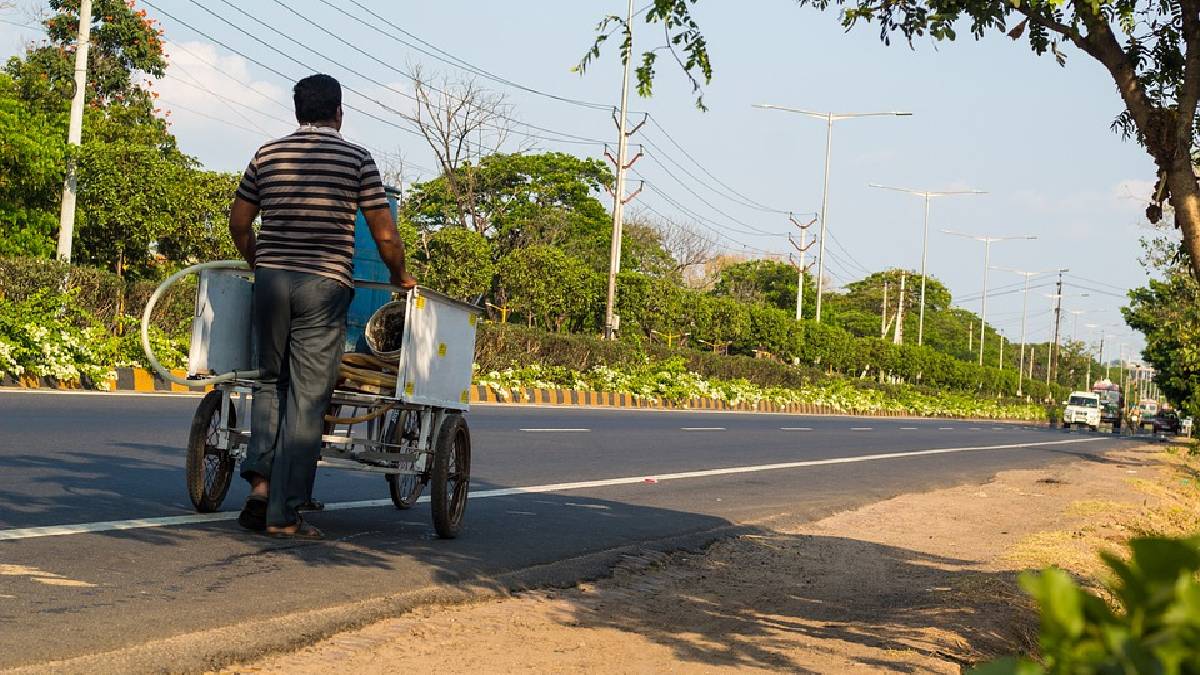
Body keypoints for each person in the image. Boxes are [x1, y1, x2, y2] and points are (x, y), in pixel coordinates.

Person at [228, 74, 416, 539]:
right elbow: (385, 233)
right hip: (323, 285)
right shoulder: (356, 158)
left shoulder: (267, 154)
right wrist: (398, 276)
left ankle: (261, 485)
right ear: (339, 112)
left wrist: (260, 260)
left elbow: (239, 220)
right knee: (310, 398)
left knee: (270, 383)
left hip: (270, 282)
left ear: (297, 113)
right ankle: (284, 515)